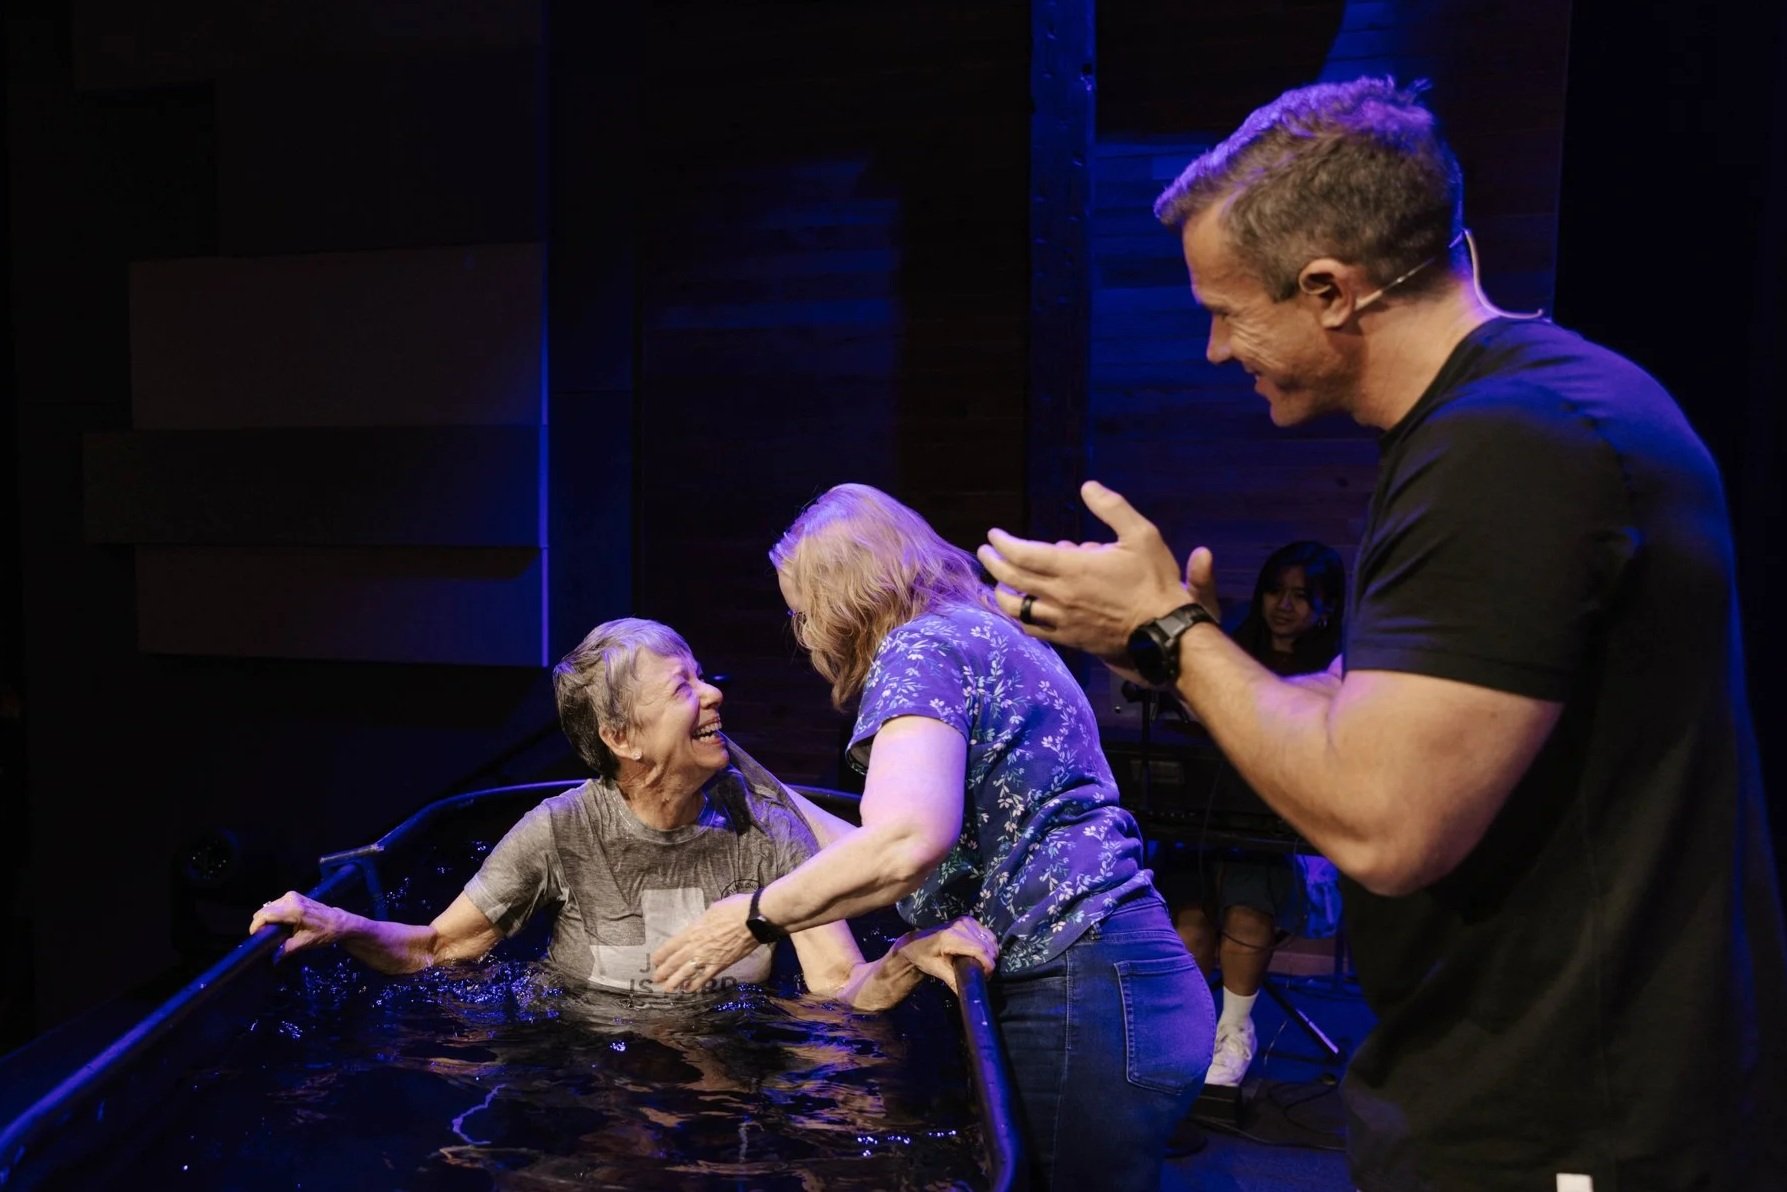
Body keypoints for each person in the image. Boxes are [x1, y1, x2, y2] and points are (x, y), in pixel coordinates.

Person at [976, 76, 1786, 1192]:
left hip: (1569, 1117)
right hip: (1515, 1091)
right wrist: (1169, 649)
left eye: (1225, 312)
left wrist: (1170, 634)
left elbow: (1384, 822)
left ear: (1328, 290)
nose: (1212, 349)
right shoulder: (1512, 415)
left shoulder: (1511, 445)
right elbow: (1364, 712)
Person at [649, 484, 1213, 1191]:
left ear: (846, 597)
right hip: (1128, 984)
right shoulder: (977, 632)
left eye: (803, 611)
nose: (804, 634)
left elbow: (907, 842)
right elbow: (891, 839)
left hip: (1083, 992)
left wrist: (755, 918)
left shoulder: (919, 650)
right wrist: (761, 788)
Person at [251, 617, 996, 1012]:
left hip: (728, 1091)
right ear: (622, 739)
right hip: (584, 1081)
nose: (713, 694)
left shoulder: (767, 827)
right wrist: (339, 922)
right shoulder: (559, 831)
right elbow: (437, 950)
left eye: (702, 676)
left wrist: (905, 959)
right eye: (682, 687)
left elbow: (836, 987)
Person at [1160, 540, 1345, 1086]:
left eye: (1300, 596)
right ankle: (1190, 1034)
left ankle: (1234, 1031)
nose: (1284, 605)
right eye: (1275, 591)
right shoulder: (1231, 651)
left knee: (1247, 902)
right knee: (1190, 915)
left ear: (1326, 607)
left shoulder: (1336, 668)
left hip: (1287, 833)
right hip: (1208, 817)